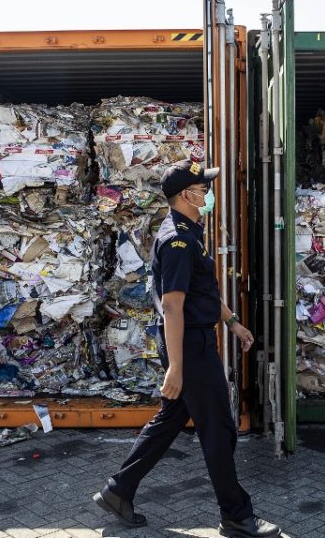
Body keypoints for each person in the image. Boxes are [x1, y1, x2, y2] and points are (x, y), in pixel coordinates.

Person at [93, 160, 282, 538]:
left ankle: (118, 491)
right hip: (189, 347)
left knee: (170, 421)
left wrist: (231, 322)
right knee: (219, 428)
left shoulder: (190, 232)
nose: (208, 194)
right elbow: (173, 306)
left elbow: (201, 291)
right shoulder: (177, 240)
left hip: (192, 342)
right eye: (203, 188)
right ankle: (237, 516)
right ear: (186, 195)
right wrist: (176, 367)